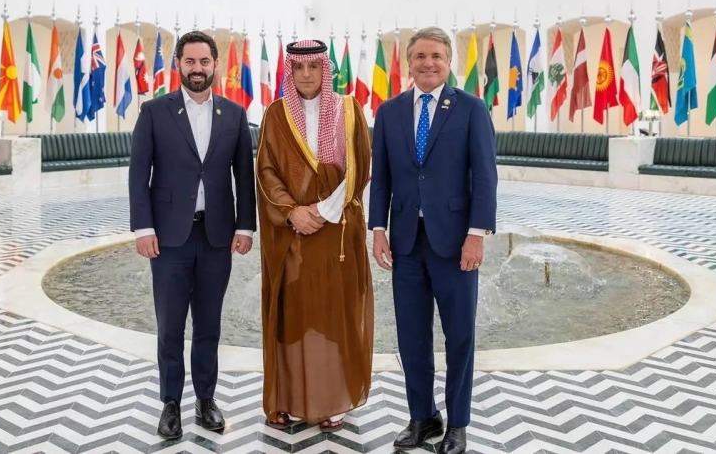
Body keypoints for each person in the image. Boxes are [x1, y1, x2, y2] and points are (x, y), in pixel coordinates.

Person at [368, 27, 498, 454]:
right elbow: (381, 178)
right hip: (406, 243)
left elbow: (485, 177)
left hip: (456, 242)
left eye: (436, 56)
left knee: (459, 336)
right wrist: (378, 230)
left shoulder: (471, 109)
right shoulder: (389, 112)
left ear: (448, 62)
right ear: (409, 62)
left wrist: (476, 235)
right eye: (420, 56)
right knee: (412, 337)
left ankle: (457, 423)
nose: (428, 63)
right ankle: (422, 416)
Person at [129, 30, 257, 439]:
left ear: (216, 65)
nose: (197, 68)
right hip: (168, 238)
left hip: (217, 236)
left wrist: (245, 225)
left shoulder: (234, 114)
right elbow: (138, 174)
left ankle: (205, 399)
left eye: (204, 61)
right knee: (170, 326)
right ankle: (170, 403)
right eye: (190, 61)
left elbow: (245, 175)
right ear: (179, 65)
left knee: (208, 324)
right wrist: (143, 228)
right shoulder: (154, 111)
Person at [256, 39, 374, 432]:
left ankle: (331, 399)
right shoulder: (276, 113)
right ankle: (290, 398)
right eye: (298, 68)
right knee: (293, 315)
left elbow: (360, 168)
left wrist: (322, 212)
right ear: (290, 72)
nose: (306, 75)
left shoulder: (349, 109)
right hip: (292, 232)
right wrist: (292, 212)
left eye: (314, 67)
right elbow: (266, 171)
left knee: (333, 314)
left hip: (336, 232)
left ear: (326, 69)